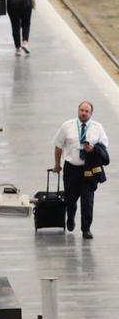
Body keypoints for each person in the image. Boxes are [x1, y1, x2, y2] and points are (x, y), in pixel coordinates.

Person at [52, 101, 108, 239]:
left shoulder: (97, 128)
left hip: (89, 169)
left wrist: (93, 149)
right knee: (70, 200)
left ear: (91, 113)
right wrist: (57, 164)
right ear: (78, 110)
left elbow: (104, 147)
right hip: (71, 169)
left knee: (87, 200)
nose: (83, 113)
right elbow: (58, 146)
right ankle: (70, 217)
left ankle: (86, 229)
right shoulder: (67, 126)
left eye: (86, 111)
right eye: (81, 110)